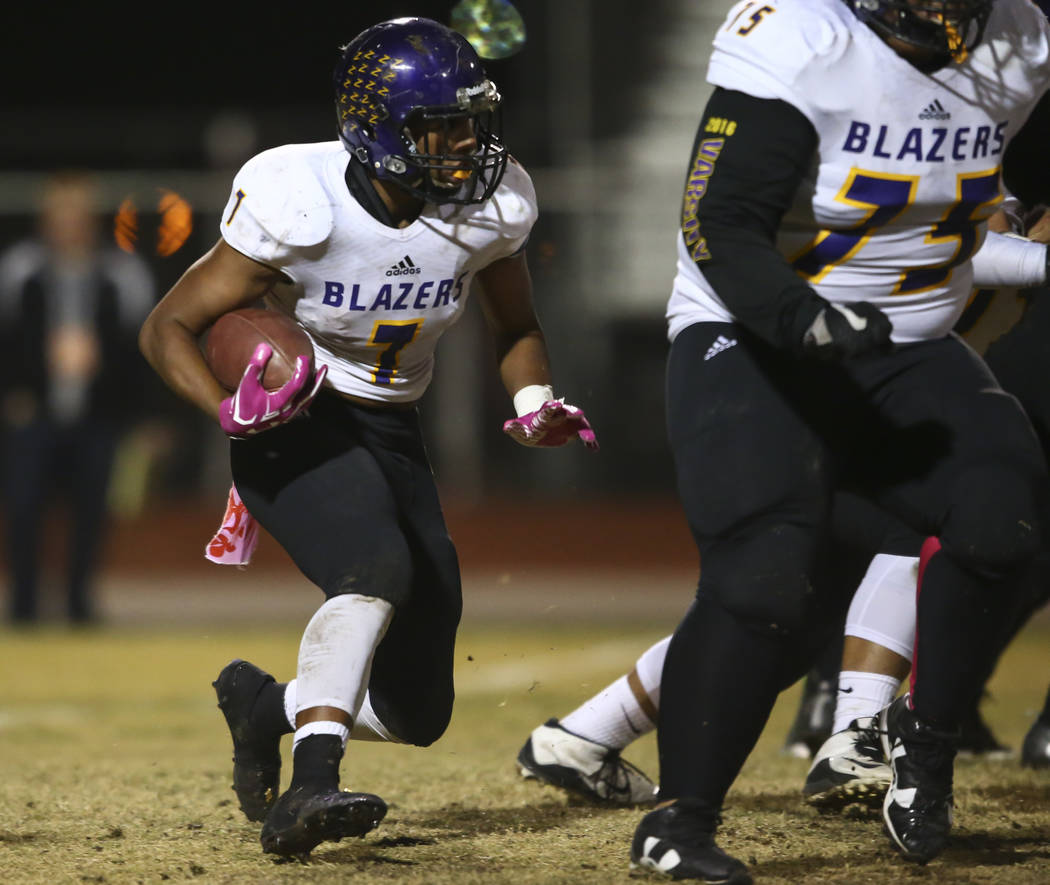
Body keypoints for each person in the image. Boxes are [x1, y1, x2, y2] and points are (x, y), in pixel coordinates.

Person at [137, 17, 596, 861]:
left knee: (421, 711)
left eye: (471, 121)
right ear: (379, 130)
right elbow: (168, 325)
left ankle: (266, 706)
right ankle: (313, 779)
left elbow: (516, 325)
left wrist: (534, 400)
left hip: (391, 427)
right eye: (442, 126)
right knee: (372, 567)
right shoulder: (299, 196)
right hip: (296, 421)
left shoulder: (491, 207)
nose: (466, 144)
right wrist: (226, 409)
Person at [617, 0, 1050, 880]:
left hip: (907, 343)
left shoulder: (1023, 36)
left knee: (1004, 509)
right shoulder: (802, 41)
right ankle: (679, 822)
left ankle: (921, 739)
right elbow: (717, 225)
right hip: (756, 333)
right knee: (764, 579)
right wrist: (801, 317)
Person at [0, 170, 158, 624]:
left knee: (91, 512)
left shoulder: (122, 272)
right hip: (33, 412)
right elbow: (6, 340)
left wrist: (142, 416)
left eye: (77, 215)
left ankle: (78, 604)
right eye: (59, 215)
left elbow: (142, 348)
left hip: (99, 415)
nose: (68, 224)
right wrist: (16, 391)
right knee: (25, 507)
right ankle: (24, 605)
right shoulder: (20, 268)